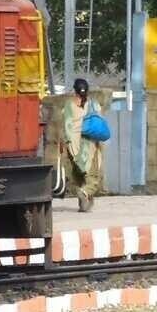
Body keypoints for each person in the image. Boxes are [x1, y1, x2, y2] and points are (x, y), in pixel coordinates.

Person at [58, 78, 104, 213]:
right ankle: (84, 193)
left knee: (79, 175)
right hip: (90, 146)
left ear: (75, 91)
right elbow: (100, 123)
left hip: (73, 147)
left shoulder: (68, 106)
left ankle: (83, 203)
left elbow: (66, 127)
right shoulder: (94, 105)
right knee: (93, 178)